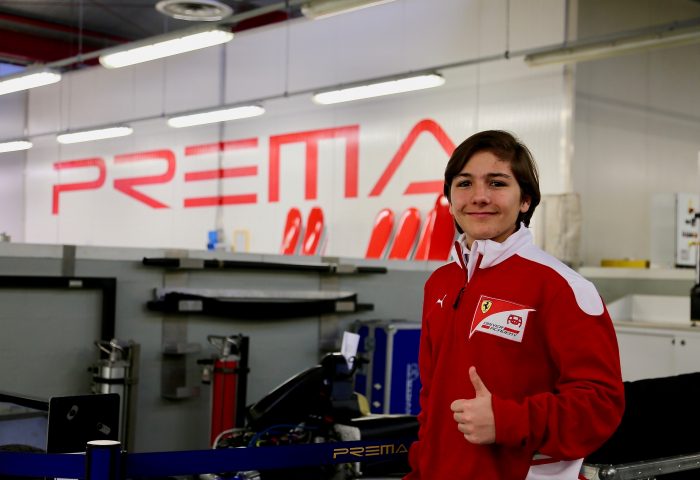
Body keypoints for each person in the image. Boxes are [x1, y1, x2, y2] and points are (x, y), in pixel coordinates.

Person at [405, 130, 625, 480]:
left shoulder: (561, 287)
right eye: (464, 183)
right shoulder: (440, 283)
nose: (479, 197)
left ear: (525, 200)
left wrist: (507, 420)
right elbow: (431, 400)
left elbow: (599, 406)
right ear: (450, 198)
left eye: (497, 183)